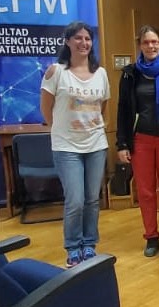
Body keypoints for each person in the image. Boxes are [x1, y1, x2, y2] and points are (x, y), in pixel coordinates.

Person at [40, 21, 110, 268]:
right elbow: (46, 109)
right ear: (68, 41)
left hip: (96, 145)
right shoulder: (56, 72)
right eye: (78, 38)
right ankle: (73, 246)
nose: (83, 43)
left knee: (92, 198)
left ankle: (89, 243)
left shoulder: (100, 73)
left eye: (88, 38)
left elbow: (103, 107)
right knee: (75, 200)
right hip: (66, 146)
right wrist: (59, 129)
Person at [116, 25, 159, 258]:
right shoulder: (130, 73)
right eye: (146, 43)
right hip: (141, 139)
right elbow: (123, 110)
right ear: (140, 45)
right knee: (145, 192)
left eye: (155, 42)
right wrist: (122, 144)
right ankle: (151, 237)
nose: (151, 46)